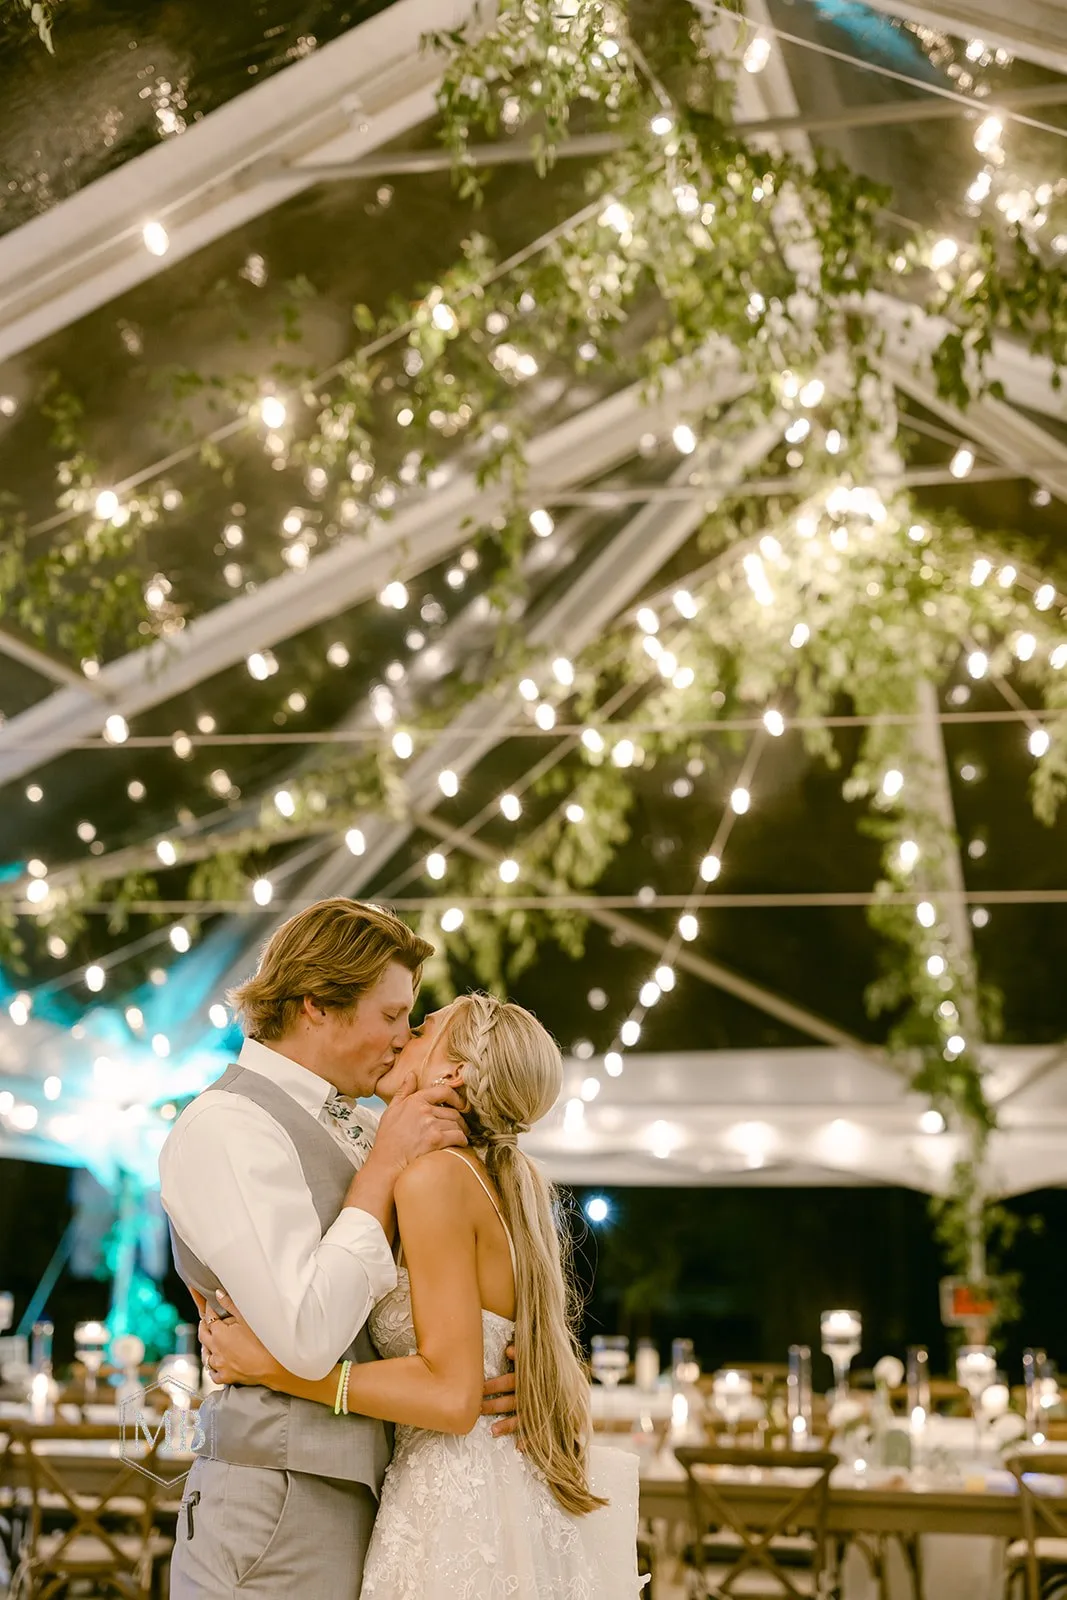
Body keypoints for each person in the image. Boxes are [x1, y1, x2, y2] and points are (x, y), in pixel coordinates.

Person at [200, 992, 644, 1598]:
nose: (403, 1034)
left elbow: (452, 1394)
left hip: (454, 1506)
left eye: (422, 1028)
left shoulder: (436, 1178)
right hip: (481, 1488)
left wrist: (280, 1372)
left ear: (452, 1072)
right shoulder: (484, 1179)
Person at [159, 898, 518, 1600]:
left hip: (368, 1495)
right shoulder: (228, 1127)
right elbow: (307, 1335)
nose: (401, 1037)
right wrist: (382, 1167)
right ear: (315, 1003)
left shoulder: (356, 1124)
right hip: (274, 1507)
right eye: (390, 1016)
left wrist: (504, 1355)